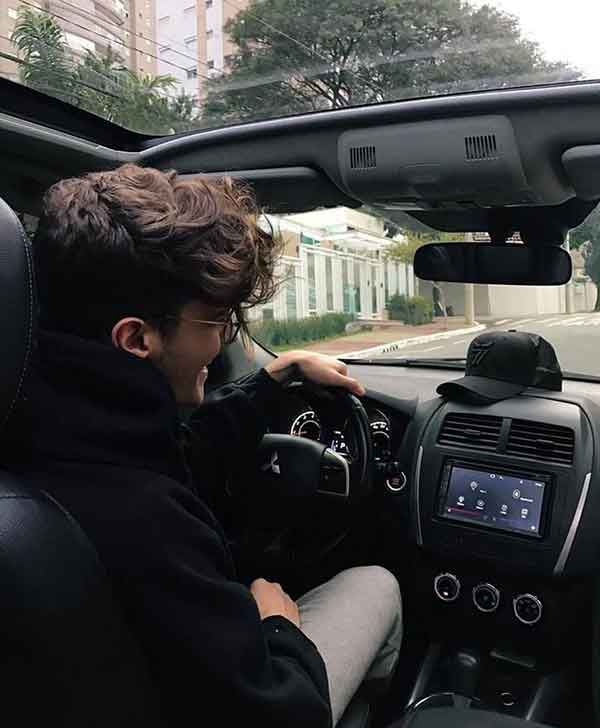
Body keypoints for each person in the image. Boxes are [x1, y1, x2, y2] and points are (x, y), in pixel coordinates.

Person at [21, 165, 402, 727]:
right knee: (378, 584)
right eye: (217, 320)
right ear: (137, 338)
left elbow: (183, 451)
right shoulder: (147, 517)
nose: (225, 338)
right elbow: (278, 712)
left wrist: (273, 379)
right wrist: (278, 627)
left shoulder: (55, 425)